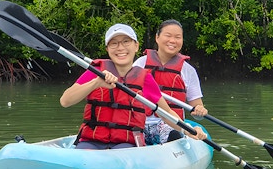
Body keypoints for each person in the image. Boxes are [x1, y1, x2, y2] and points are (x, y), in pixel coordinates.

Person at [60, 23, 207, 149]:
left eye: (126, 42)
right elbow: (65, 101)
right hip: (92, 141)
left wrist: (189, 131)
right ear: (107, 48)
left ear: (136, 46)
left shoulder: (144, 78)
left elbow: (167, 113)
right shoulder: (96, 71)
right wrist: (96, 83)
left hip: (125, 144)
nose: (120, 48)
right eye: (114, 43)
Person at [133, 19, 208, 145]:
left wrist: (200, 112)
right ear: (157, 37)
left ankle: (173, 143)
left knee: (172, 132)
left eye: (178, 37)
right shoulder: (140, 64)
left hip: (171, 123)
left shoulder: (188, 71)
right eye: (168, 36)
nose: (173, 41)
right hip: (141, 121)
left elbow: (196, 112)